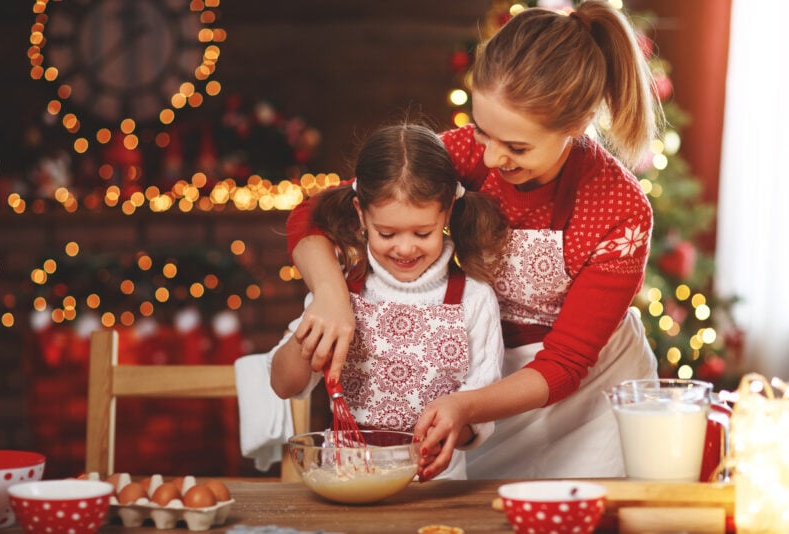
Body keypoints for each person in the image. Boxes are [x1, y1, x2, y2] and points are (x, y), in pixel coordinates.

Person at [284, 0, 664, 481]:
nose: (489, 159)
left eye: (517, 147)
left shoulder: (619, 210)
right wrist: (331, 295)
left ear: (577, 122)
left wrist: (467, 405)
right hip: (484, 387)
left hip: (589, 404)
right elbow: (313, 215)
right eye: (483, 132)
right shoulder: (463, 154)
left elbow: (565, 364)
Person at [269, 122, 508, 479]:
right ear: (361, 215)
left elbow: (481, 411)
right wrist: (309, 336)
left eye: (422, 232)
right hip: (349, 484)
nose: (406, 247)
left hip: (436, 488)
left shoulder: (473, 299)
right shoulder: (341, 291)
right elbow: (284, 385)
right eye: (387, 233)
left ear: (446, 213)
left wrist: (453, 426)